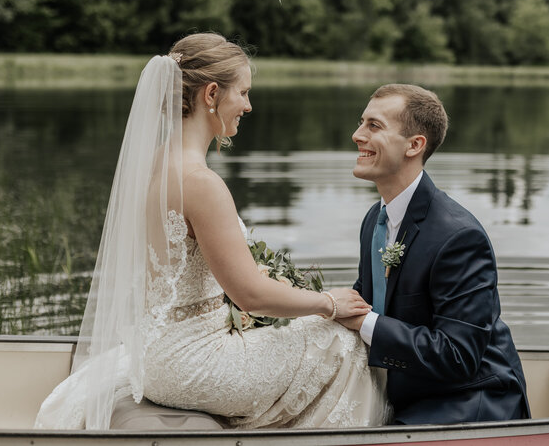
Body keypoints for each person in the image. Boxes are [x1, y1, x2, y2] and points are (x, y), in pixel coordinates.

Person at [35, 33, 389, 430]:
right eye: (243, 93)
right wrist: (329, 303)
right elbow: (250, 294)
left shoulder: (151, 166)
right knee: (343, 342)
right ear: (212, 94)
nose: (248, 106)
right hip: (193, 364)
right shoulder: (199, 182)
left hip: (154, 355)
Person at [340, 83, 531, 425]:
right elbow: (365, 302)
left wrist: (364, 322)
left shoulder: (458, 236)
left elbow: (459, 357)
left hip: (469, 397)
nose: (357, 135)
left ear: (414, 145)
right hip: (409, 386)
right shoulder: (374, 220)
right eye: (361, 122)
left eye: (374, 126)